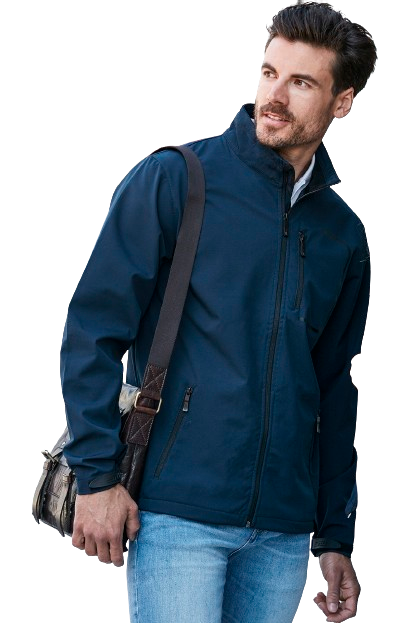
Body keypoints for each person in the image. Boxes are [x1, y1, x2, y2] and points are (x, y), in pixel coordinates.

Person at [60, 2, 376, 621]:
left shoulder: (343, 234)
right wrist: (96, 477)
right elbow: (93, 330)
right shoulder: (176, 179)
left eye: (301, 82)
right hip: (175, 516)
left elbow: (336, 386)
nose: (274, 96)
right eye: (269, 73)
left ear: (342, 102)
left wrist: (334, 533)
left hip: (284, 532)